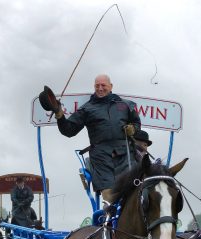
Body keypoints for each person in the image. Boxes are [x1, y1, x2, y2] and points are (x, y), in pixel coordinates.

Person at [39, 74, 141, 204]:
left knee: (132, 192)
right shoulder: (87, 109)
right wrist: (59, 113)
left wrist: (133, 129)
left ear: (111, 86)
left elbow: (137, 124)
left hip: (125, 154)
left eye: (103, 85)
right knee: (110, 196)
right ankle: (110, 221)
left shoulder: (126, 105)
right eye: (97, 85)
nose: (100, 88)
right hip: (101, 157)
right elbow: (68, 130)